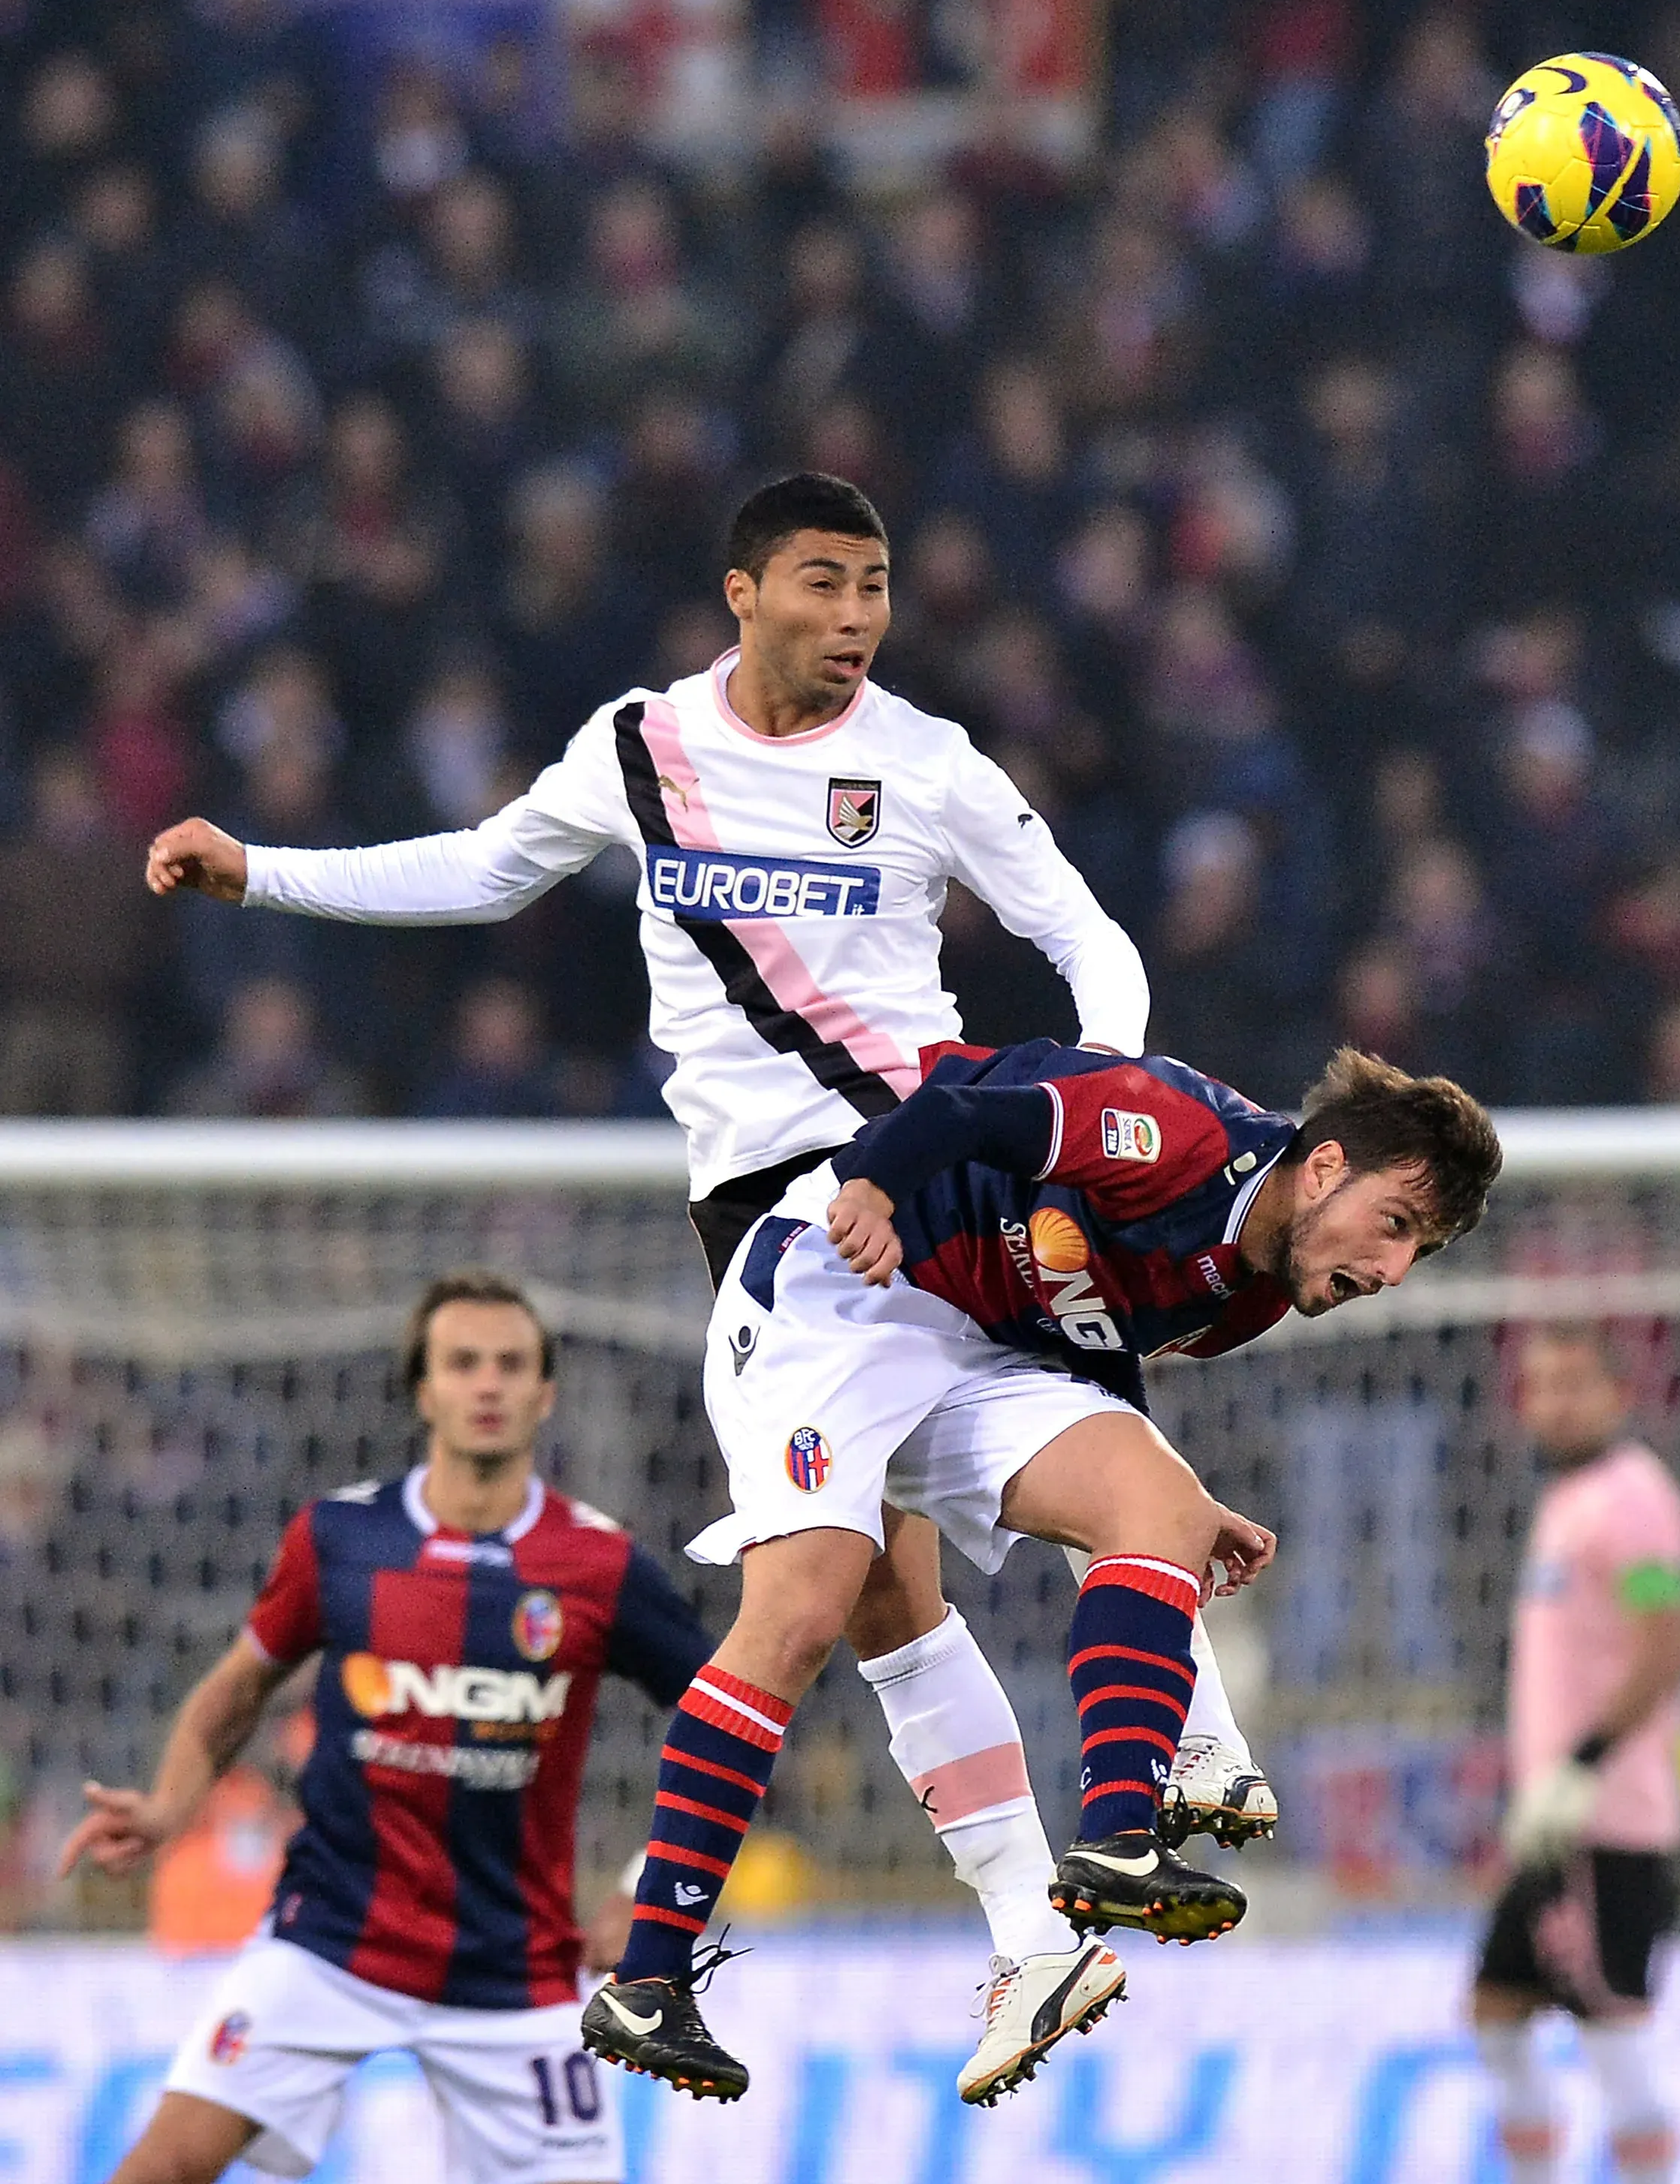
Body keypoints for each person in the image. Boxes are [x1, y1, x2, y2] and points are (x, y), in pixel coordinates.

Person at [144, 470, 1275, 2103]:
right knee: (885, 1599)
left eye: (877, 589)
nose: (856, 620)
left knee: (931, 1515)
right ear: (742, 593)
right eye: (825, 585)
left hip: (923, 1171)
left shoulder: (927, 764)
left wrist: (1091, 1103)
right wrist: (263, 869)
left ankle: (1177, 1768)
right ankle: (1037, 1930)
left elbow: (1088, 936)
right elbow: (480, 870)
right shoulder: (642, 749)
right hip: (772, 1217)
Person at [581, 1038, 1501, 2099]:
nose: (1389, 1273)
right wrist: (873, 1185)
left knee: (1153, 1507)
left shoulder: (1250, 1293)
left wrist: (1165, 1505)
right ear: (1328, 1166)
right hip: (839, 1287)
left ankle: (1115, 1840)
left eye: (1416, 1254)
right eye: (1395, 1225)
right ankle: (648, 1978)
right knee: (810, 1608)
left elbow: (1091, 1348)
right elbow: (967, 1111)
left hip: (977, 1343)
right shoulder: (1176, 1137)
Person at [59, 1270, 712, 2184]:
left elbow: (731, 1720)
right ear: (424, 1390)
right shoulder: (341, 1536)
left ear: (544, 1393)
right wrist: (172, 1804)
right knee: (161, 2166)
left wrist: (654, 1892)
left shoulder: (597, 1563)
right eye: (463, 1363)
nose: (487, 1384)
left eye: (510, 1365)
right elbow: (239, 1686)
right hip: (327, 1944)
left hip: (514, 1971)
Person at [1471, 1325, 1680, 2184]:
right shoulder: (1567, 1501)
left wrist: (1583, 1764)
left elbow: (1667, 1642)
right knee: (1496, 2009)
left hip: (1606, 1819)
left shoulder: (1633, 1499)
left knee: (1611, 2024)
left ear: (1619, 1394)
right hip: (1555, 1824)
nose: (1552, 1405)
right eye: (1538, 1387)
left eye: (1573, 1385)